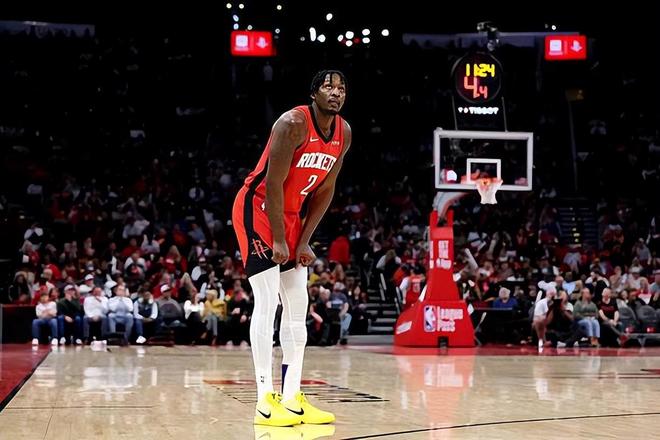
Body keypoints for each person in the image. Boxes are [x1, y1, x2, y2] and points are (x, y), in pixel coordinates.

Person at [232, 70, 351, 427]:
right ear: (313, 93)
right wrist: (280, 240)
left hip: (291, 214)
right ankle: (264, 400)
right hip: (258, 208)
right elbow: (273, 183)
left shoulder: (343, 132)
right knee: (267, 301)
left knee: (298, 306)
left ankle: (292, 397)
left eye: (341, 88)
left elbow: (325, 190)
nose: (336, 93)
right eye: (328, 87)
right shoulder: (291, 124)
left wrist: (303, 240)